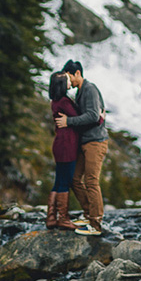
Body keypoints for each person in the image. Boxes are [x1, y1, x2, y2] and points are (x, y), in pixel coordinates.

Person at [54, 59, 108, 236]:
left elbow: (93, 116)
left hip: (95, 142)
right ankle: (88, 213)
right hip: (84, 142)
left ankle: (96, 224)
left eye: (69, 76)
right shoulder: (79, 92)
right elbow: (93, 115)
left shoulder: (90, 89)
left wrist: (68, 121)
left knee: (91, 181)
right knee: (75, 179)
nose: (68, 81)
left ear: (77, 73)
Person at [46, 71, 79, 230]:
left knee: (59, 180)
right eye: (66, 80)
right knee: (65, 181)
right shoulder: (65, 102)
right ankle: (63, 218)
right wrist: (99, 118)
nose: (69, 82)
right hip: (67, 145)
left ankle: (51, 217)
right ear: (61, 85)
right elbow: (79, 119)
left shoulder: (55, 101)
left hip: (59, 144)